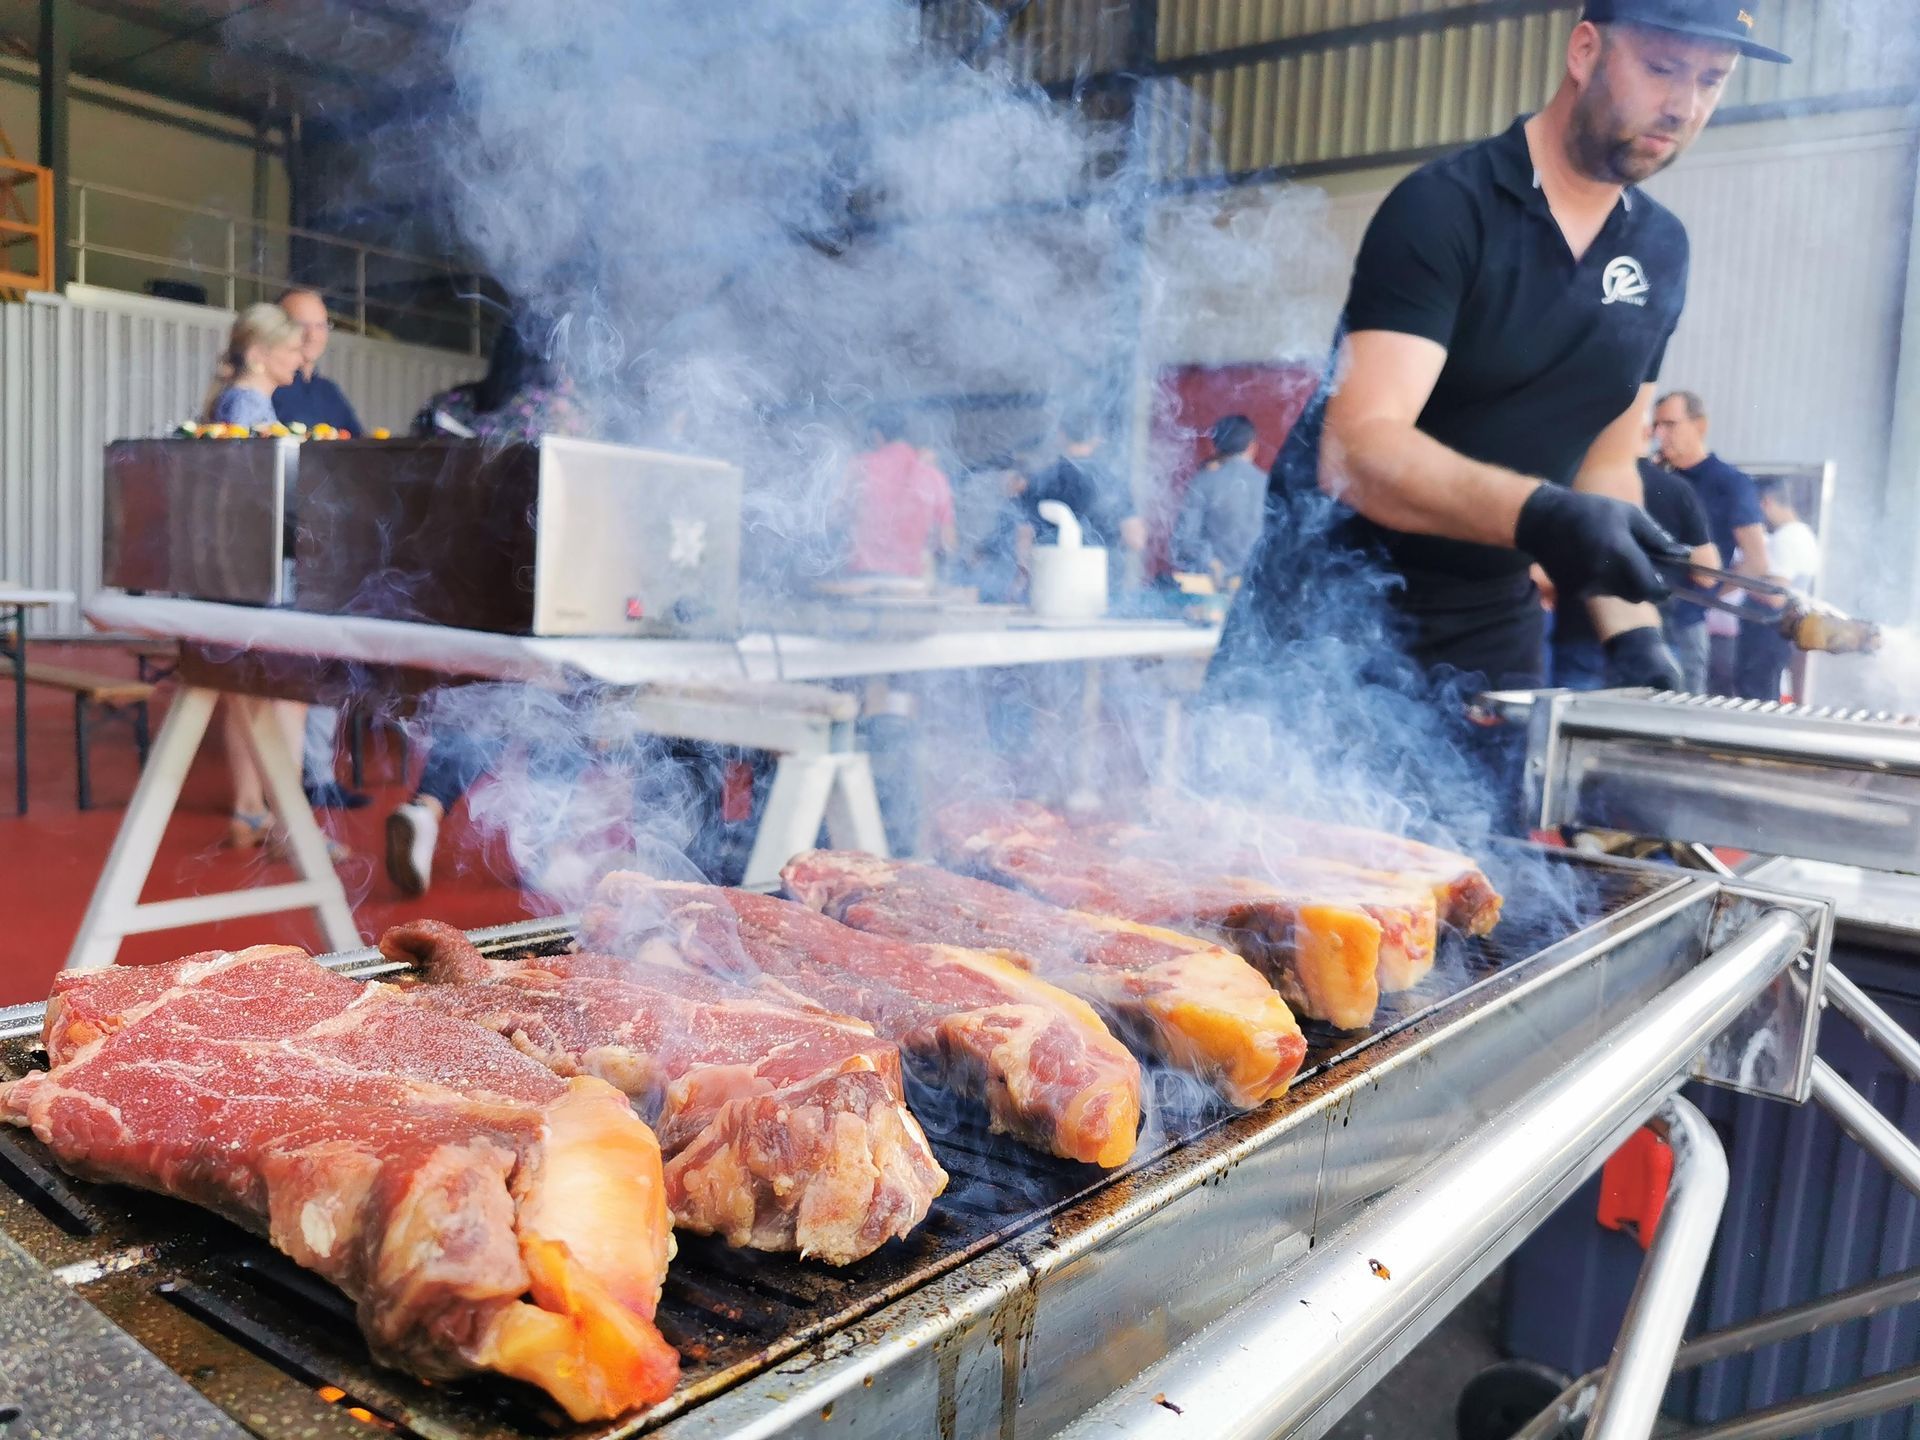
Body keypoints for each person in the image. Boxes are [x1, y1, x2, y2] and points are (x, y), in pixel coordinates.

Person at [1214, 2, 1790, 712]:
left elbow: (1605, 462)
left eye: (1712, 79)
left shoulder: (1661, 250)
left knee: (1482, 825)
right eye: (1663, 69)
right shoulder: (1445, 208)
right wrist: (1544, 516)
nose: (1683, 105)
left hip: (1491, 624)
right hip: (1330, 612)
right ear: (1584, 51)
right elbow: (1356, 449)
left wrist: (1636, 639)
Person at [387, 316, 579, 896]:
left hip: (449, 597)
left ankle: (425, 809)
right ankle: (542, 844)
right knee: (562, 708)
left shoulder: (447, 407)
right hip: (539, 595)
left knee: (482, 712)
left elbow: (402, 491)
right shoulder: (554, 411)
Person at [200, 305, 336, 856]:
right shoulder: (252, 409)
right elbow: (266, 496)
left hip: (236, 570)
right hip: (263, 570)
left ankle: (249, 809)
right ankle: (289, 824)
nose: (299, 354)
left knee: (247, 695)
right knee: (289, 692)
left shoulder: (233, 401)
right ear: (259, 353)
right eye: (288, 346)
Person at [273, 288, 371, 812]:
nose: (314, 335)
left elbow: (362, 454)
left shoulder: (329, 392)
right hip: (283, 549)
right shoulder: (271, 391)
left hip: (329, 548)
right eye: (301, 324)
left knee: (328, 666)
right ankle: (283, 783)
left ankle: (319, 776)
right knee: (292, 670)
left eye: (322, 324)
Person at [1652, 389, 1775, 696]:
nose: (1660, 435)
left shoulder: (1730, 483)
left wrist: (1707, 593)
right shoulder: (1653, 477)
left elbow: (1757, 561)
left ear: (1700, 426)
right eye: (1656, 426)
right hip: (1637, 619)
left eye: (1670, 425)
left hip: (1683, 625)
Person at [1019, 411, 1149, 578]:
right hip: (1102, 584)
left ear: (1060, 435)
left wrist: (1022, 579)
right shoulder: (1113, 482)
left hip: (1052, 582)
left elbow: (1024, 539)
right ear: (1096, 438)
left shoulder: (1041, 480)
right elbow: (1135, 540)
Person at [843, 411, 956, 579]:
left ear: (877, 435)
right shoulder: (932, 474)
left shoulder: (859, 467)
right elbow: (948, 542)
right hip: (910, 584)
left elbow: (835, 518)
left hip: (860, 580)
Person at [1744, 476, 1822, 700]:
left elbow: (1776, 597)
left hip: (1768, 637)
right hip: (1782, 638)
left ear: (1764, 503)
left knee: (1756, 700)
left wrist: (1739, 580)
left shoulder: (1785, 539)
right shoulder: (1805, 535)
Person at [1172, 414, 1267, 585]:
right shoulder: (1268, 484)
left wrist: (1210, 562)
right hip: (1256, 586)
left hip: (1210, 585)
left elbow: (1183, 541)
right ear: (1253, 447)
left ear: (1215, 445)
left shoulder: (1203, 481)